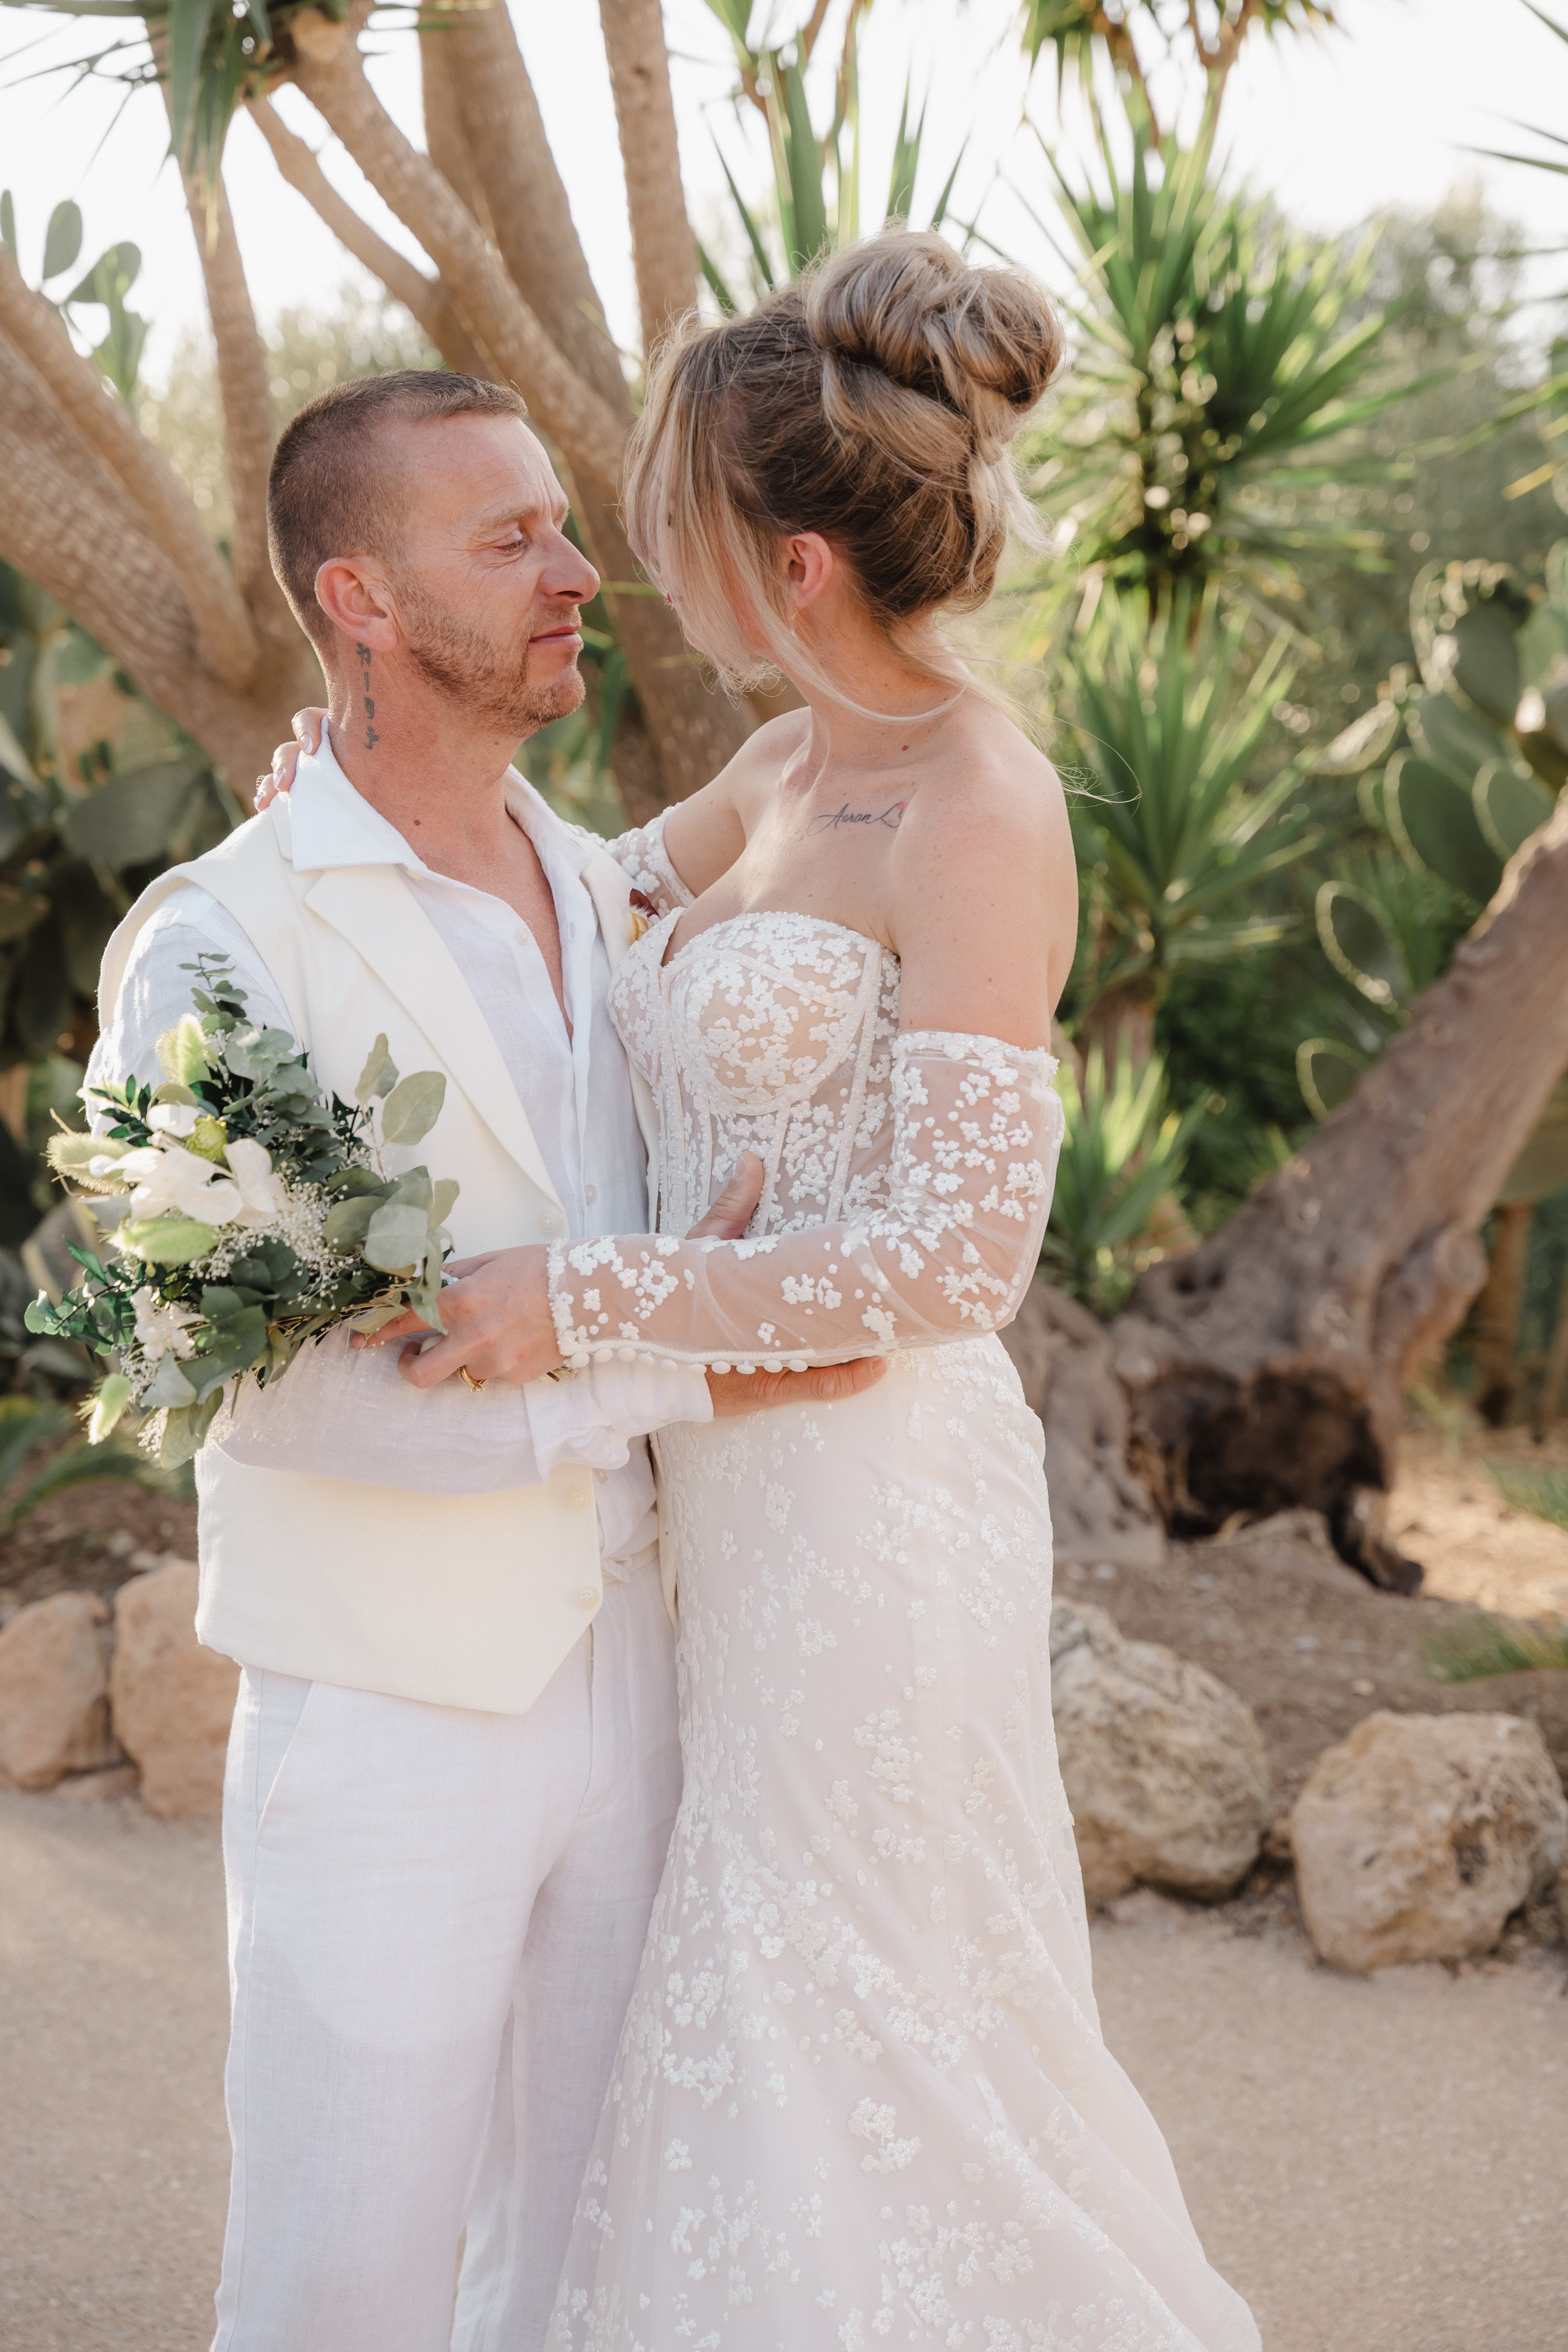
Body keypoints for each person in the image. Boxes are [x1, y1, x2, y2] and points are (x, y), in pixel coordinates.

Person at [272, 235, 1261, 2347]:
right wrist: (340, 809)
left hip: (880, 1506)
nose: (634, 582)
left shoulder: (981, 810)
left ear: (791, 562)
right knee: (736, 2003)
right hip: (728, 1508)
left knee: (872, 2000)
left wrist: (590, 1298)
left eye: (668, 539)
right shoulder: (789, 770)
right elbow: (582, 891)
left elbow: (959, 1258)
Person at [89, 369, 886, 2352]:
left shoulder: (613, 893)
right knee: (337, 2287)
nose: (575, 570)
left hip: (651, 1690)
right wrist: (677, 1363)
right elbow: (283, 1395)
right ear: (358, 600)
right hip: (386, 1718)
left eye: (565, 522)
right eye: (510, 536)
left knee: (582, 2276)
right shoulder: (218, 951)